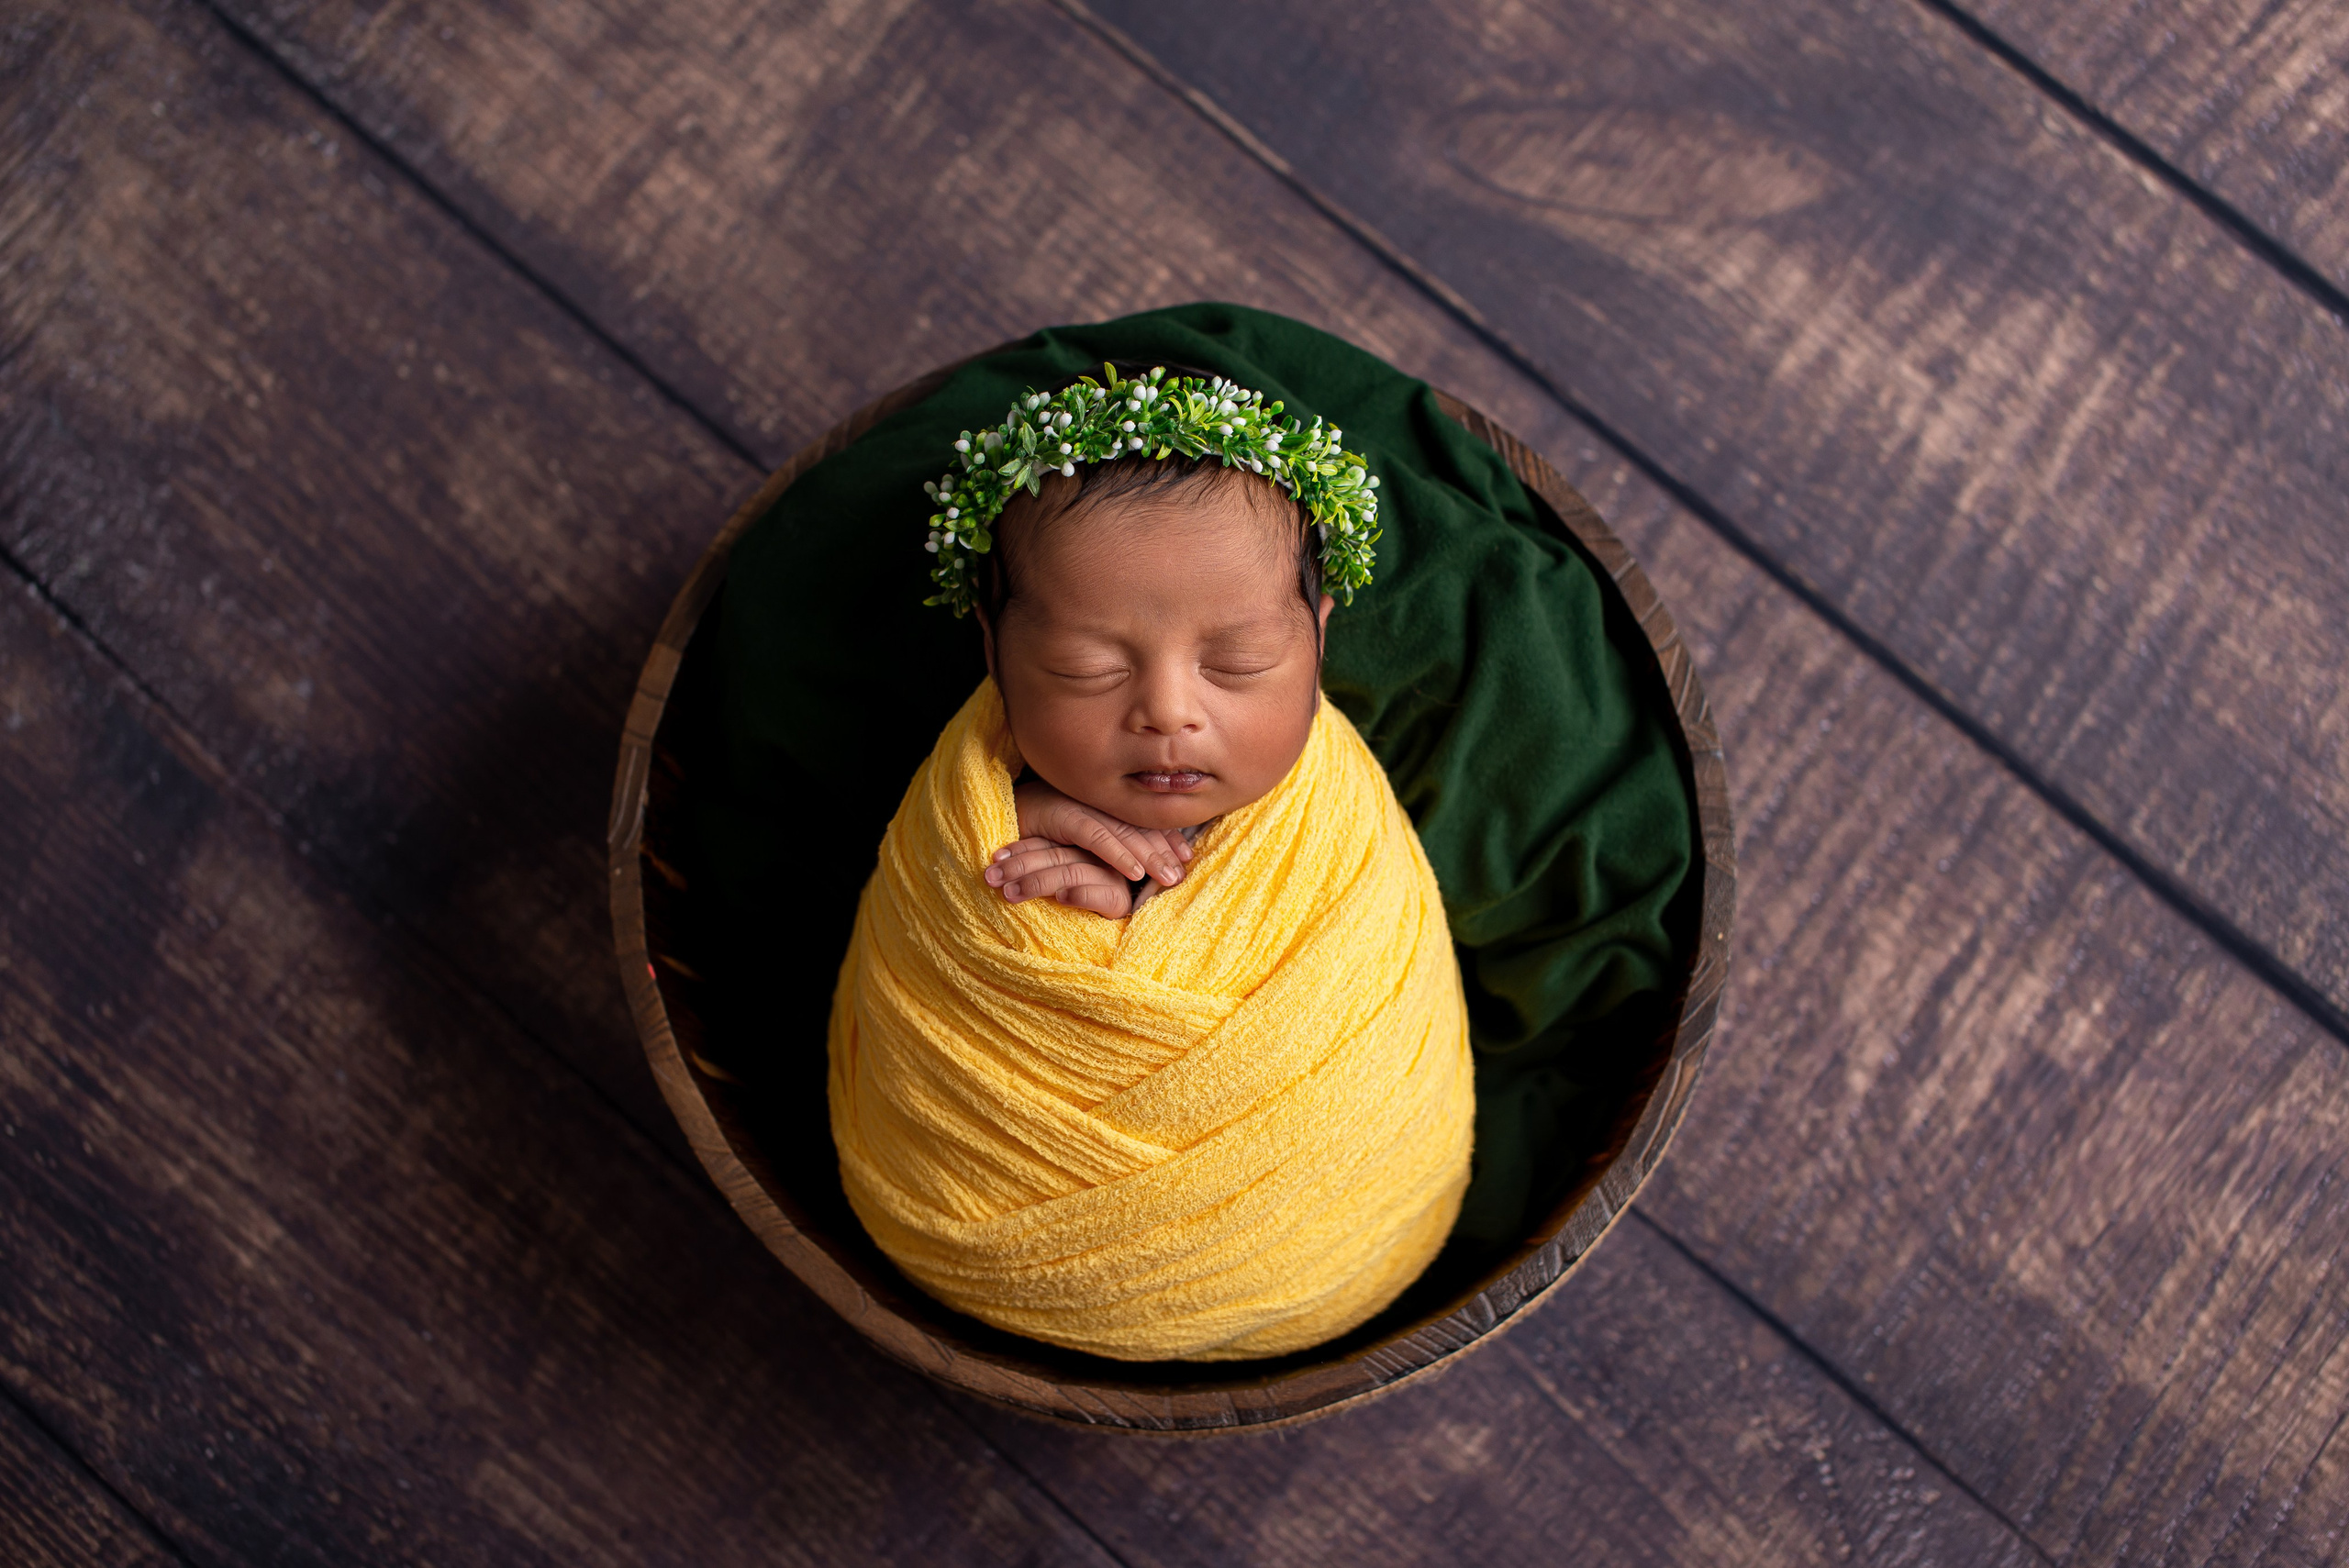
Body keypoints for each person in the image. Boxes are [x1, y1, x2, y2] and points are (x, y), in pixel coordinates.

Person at [825, 366, 1475, 1362]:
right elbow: (936, 934)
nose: (1169, 710)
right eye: (1088, 669)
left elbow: (1371, 971)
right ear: (993, 652)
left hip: (1341, 1231)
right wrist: (1012, 860)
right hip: (977, 1235)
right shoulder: (973, 806)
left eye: (1241, 662)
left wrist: (1134, 917)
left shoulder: (1326, 815)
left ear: (1320, 634)